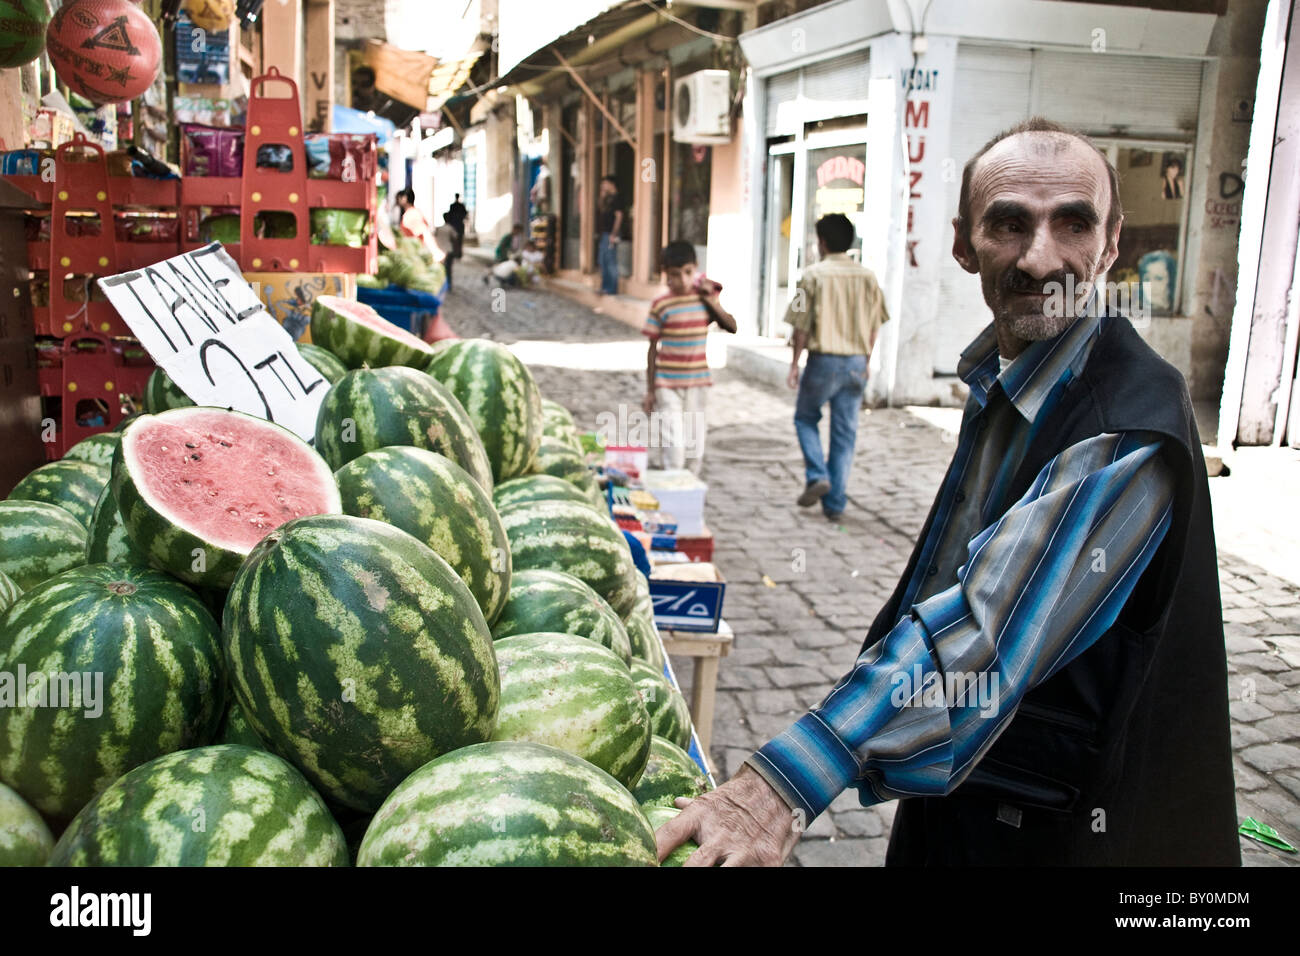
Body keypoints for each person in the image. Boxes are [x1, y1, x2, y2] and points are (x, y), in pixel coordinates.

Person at [656, 117, 1238, 867]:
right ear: (965, 245)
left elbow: (984, 632)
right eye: (1009, 224)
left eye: (1073, 223)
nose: (1040, 257)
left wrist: (782, 783)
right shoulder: (1009, 379)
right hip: (974, 789)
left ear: (1112, 242)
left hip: (1062, 834)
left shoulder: (1121, 429)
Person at [786, 213, 890, 521]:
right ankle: (835, 504)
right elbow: (875, 324)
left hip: (824, 361)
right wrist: (866, 360)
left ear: (822, 242)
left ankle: (817, 474)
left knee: (805, 418)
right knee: (845, 434)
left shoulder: (812, 276)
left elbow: (801, 326)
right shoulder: (868, 277)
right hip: (856, 362)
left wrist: (794, 363)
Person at [642, 241, 736, 474]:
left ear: (695, 269)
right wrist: (650, 390)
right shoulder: (661, 305)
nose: (682, 280)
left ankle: (690, 488)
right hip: (667, 384)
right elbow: (652, 349)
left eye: (687, 273)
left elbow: (731, 326)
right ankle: (672, 485)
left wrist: (711, 300)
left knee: (695, 443)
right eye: (675, 274)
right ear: (666, 274)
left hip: (697, 383)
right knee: (673, 441)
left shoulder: (704, 300)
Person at [597, 175, 623, 296]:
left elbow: (619, 217)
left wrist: (614, 233)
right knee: (603, 260)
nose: (603, 186)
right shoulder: (607, 198)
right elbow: (600, 209)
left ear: (612, 184)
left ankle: (612, 289)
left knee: (610, 261)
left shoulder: (617, 198)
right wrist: (602, 196)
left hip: (610, 234)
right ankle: (604, 287)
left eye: (605, 183)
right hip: (604, 233)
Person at [432, 213, 458, 291]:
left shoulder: (439, 228)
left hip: (439, 251)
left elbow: (434, 237)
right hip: (448, 251)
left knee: (440, 268)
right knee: (448, 269)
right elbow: (455, 239)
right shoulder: (450, 228)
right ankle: (448, 285)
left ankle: (440, 284)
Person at [446, 192, 469, 257]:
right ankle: (458, 253)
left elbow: (450, 215)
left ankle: (456, 253)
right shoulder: (460, 206)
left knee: (455, 240)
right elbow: (465, 214)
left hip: (455, 225)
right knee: (459, 240)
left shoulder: (453, 206)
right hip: (459, 225)